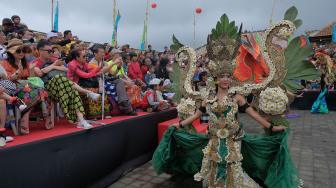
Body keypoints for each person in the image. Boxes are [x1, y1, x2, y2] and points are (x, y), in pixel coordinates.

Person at [153, 15, 303, 188]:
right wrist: (179, 125)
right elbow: (197, 114)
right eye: (222, 77)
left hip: (233, 139)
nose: (226, 80)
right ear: (216, 79)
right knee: (215, 166)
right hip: (214, 139)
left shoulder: (236, 96)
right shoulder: (208, 97)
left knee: (233, 167)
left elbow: (252, 114)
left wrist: (271, 127)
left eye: (228, 76)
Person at [31, 40, 95, 129]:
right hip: (46, 88)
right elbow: (39, 73)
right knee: (60, 79)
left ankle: (81, 120)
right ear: (40, 51)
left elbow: (67, 70)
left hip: (61, 87)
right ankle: (86, 92)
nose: (51, 53)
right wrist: (53, 65)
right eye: (49, 51)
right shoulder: (35, 62)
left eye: (52, 51)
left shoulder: (54, 60)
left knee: (71, 90)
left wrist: (53, 66)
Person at [1, 38, 50, 134]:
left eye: (23, 50)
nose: (21, 53)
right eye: (18, 51)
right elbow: (6, 80)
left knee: (40, 90)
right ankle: (45, 116)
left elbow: (28, 77)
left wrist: (30, 70)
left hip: (25, 86)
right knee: (34, 91)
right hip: (11, 87)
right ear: (11, 52)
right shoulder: (4, 63)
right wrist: (18, 71)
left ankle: (24, 117)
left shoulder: (25, 63)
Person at [105, 49, 137, 115]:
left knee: (134, 85)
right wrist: (126, 81)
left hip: (119, 78)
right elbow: (113, 75)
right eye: (118, 54)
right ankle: (126, 106)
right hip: (112, 79)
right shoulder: (109, 63)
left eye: (119, 54)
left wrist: (129, 80)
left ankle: (132, 105)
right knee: (124, 83)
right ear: (114, 55)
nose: (120, 55)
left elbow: (123, 74)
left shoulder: (119, 63)